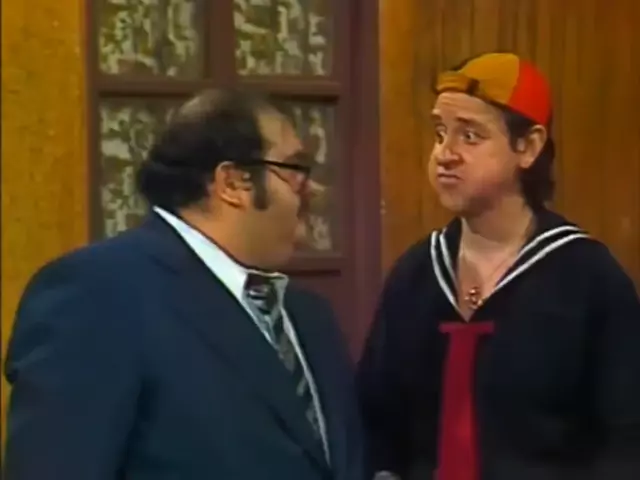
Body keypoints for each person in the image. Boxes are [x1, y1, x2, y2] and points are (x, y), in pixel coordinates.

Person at [4, 89, 364, 480]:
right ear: (233, 183)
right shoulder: (97, 295)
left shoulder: (309, 316)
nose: (314, 189)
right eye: (295, 169)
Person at [357, 52, 640, 480]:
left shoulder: (588, 279)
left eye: (470, 136)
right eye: (440, 133)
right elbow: (377, 421)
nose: (444, 154)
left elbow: (626, 440)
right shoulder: (416, 274)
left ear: (528, 147)